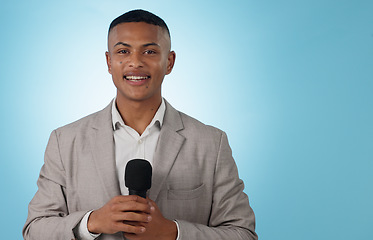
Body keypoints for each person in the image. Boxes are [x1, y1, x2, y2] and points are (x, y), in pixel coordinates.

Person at [23, 9, 257, 240]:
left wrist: (172, 233)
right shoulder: (65, 141)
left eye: (150, 51)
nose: (135, 62)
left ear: (169, 62)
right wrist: (91, 223)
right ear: (109, 61)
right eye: (123, 51)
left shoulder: (211, 144)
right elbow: (35, 230)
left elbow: (243, 234)